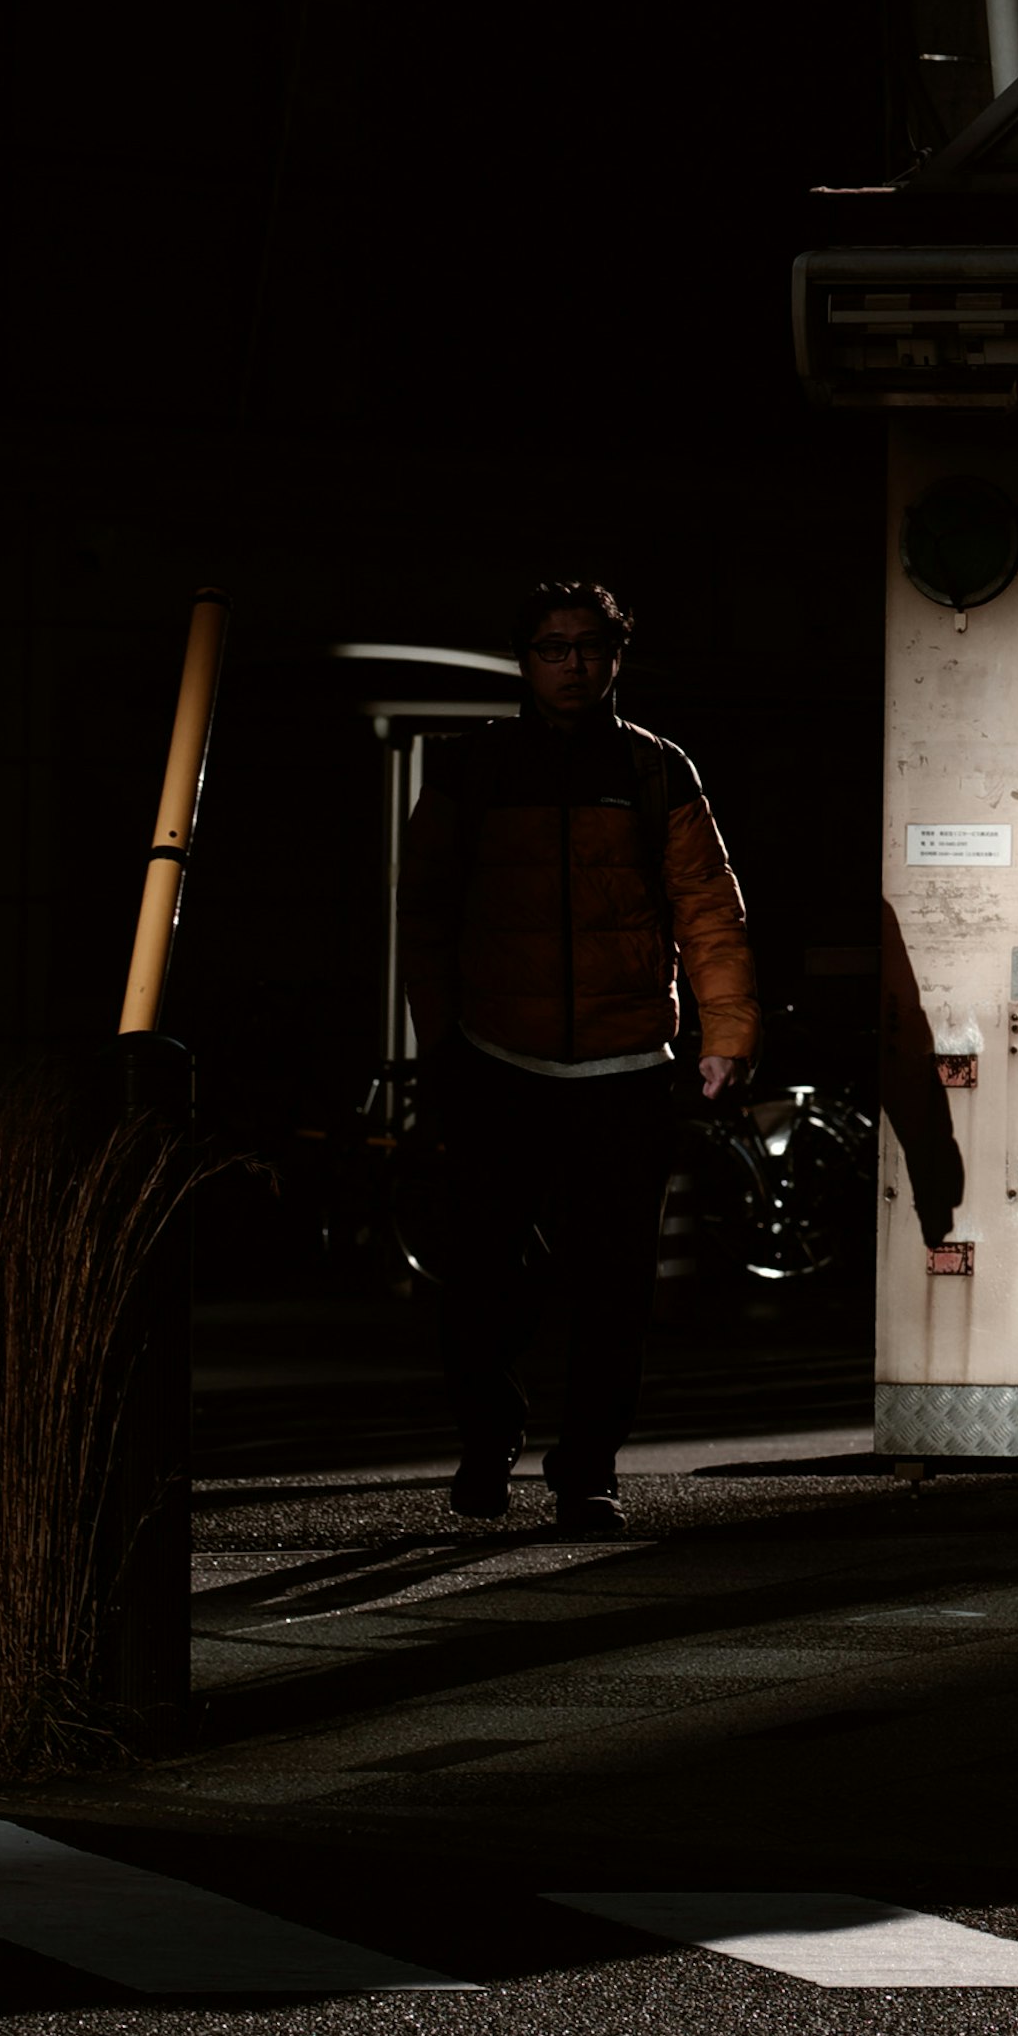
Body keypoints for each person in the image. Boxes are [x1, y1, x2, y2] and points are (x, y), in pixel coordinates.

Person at [405, 576, 757, 1533]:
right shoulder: (474, 769)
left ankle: (587, 1470)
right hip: (496, 1063)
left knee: (614, 1289)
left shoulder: (656, 770)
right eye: (553, 648)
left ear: (616, 659)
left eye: (591, 648)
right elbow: (426, 917)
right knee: (480, 1279)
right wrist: (440, 1038)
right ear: (526, 660)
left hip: (624, 1071)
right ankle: (487, 1442)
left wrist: (724, 1037)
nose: (574, 665)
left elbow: (708, 912)